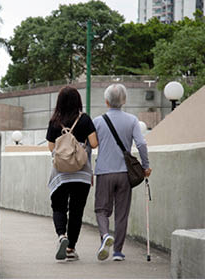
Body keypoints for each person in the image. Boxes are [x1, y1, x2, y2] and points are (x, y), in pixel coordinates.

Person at [92, 84, 152, 262]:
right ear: (124, 101)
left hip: (104, 172)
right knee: (122, 213)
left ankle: (105, 236)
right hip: (125, 173)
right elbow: (141, 144)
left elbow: (88, 146)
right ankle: (117, 251)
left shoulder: (97, 121)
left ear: (106, 101)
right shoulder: (132, 120)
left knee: (101, 210)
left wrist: (88, 170)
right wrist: (145, 166)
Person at [46, 86, 98, 262]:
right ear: (78, 101)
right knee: (77, 211)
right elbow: (94, 143)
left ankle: (62, 236)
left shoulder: (54, 121)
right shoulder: (85, 119)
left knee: (59, 207)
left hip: (60, 173)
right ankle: (70, 248)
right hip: (82, 173)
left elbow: (52, 148)